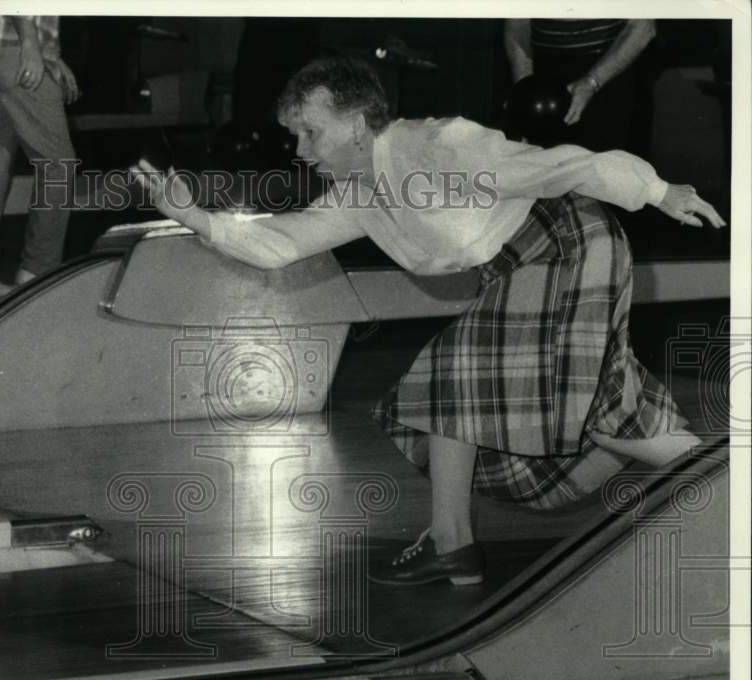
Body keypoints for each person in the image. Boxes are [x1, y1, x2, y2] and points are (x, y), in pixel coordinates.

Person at [130, 57, 724, 586]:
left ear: (358, 122)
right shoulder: (359, 190)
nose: (301, 150)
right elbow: (284, 242)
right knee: (557, 399)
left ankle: (452, 542)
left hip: (566, 243)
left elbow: (559, 167)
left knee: (470, 379)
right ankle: (720, 483)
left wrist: (658, 190)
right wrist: (196, 218)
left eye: (311, 132)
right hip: (526, 264)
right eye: (295, 136)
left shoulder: (435, 146)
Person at [0, 16, 79, 301]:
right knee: (58, 165)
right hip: (17, 54)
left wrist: (47, 54)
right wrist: (33, 47)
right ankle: (39, 271)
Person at [504, 19, 656, 153]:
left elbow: (643, 26)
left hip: (608, 67)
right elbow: (517, 24)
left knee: (602, 169)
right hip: (543, 66)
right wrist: (523, 93)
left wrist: (592, 81)